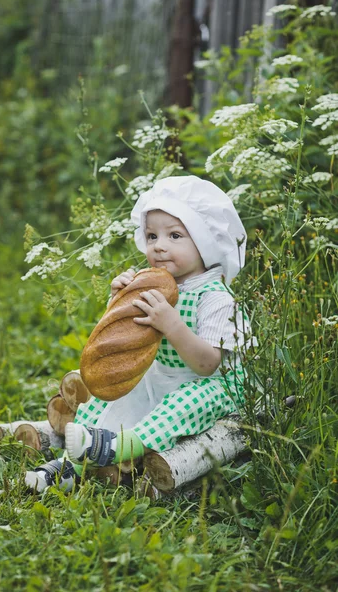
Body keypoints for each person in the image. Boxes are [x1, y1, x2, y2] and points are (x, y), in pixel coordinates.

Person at [25, 175, 251, 491]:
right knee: (112, 391)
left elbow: (207, 365)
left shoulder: (215, 297)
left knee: (184, 402)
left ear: (205, 242)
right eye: (151, 235)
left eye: (174, 235)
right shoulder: (149, 283)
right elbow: (123, 342)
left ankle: (120, 447)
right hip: (159, 378)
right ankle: (69, 466)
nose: (159, 245)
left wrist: (171, 324)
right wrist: (119, 301)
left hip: (209, 386)